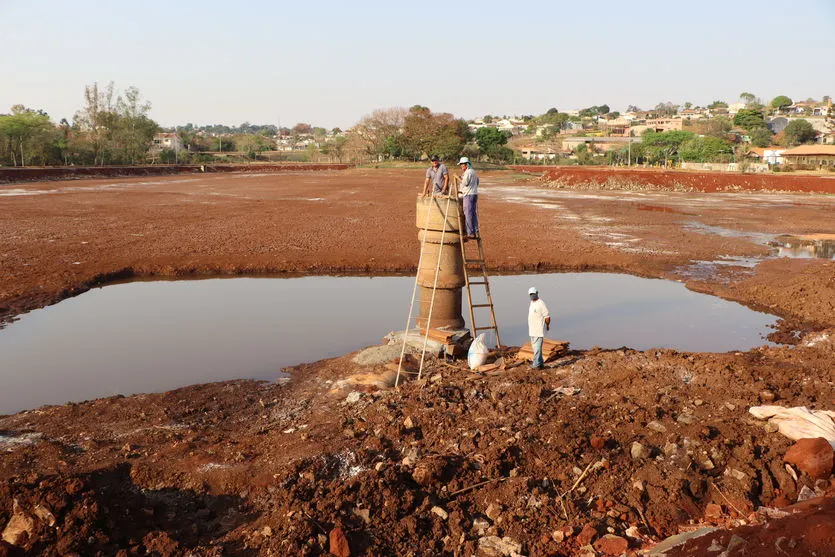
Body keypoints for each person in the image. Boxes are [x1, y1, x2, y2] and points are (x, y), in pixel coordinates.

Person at [527, 286, 550, 370]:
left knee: (537, 348)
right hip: (532, 330)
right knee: (535, 348)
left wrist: (547, 325)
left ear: (537, 293)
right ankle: (540, 364)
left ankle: (536, 365)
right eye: (530, 294)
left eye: (533, 294)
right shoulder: (532, 303)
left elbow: (547, 317)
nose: (532, 295)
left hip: (538, 330)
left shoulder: (541, 303)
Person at [457, 156, 479, 238]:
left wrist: (458, 178)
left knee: (468, 213)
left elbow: (465, 183)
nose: (461, 167)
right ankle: (475, 230)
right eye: (461, 165)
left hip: (468, 195)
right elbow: (477, 181)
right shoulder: (473, 171)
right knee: (473, 213)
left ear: (467, 164)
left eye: (462, 165)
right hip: (474, 194)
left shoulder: (468, 172)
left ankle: (470, 233)